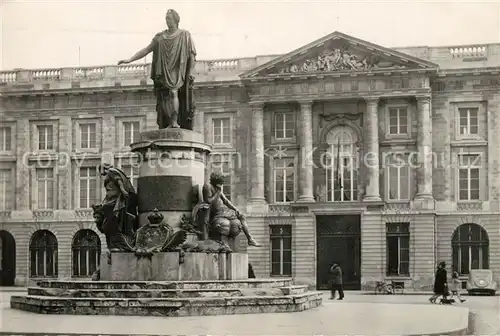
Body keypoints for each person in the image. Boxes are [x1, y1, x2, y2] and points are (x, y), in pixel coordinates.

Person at [118, 9, 196, 129]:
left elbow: (191, 54)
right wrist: (130, 59)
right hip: (163, 70)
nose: (167, 21)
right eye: (166, 18)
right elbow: (146, 50)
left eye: (169, 18)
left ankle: (174, 121)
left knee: (173, 91)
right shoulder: (160, 37)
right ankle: (169, 122)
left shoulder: (184, 35)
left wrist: (190, 70)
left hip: (177, 68)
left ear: (176, 20)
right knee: (164, 97)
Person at [197, 172, 260, 247]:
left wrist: (236, 209)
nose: (221, 185)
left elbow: (225, 201)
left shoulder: (217, 187)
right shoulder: (207, 186)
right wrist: (217, 193)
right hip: (216, 213)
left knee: (242, 216)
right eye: (220, 183)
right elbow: (208, 201)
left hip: (223, 211)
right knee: (227, 225)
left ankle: (250, 239)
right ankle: (221, 243)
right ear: (215, 181)